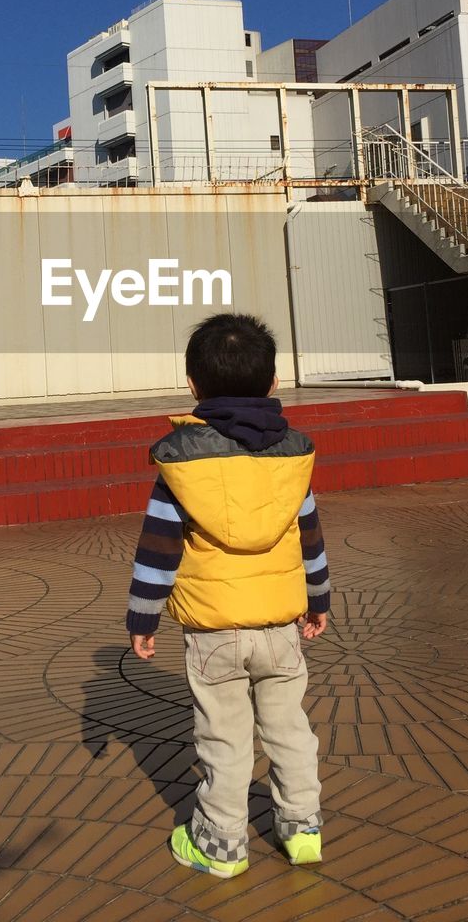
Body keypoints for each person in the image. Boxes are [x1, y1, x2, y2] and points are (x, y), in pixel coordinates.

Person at [125, 312, 329, 878]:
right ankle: (302, 828)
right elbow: (308, 535)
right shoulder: (293, 456)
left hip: (214, 633)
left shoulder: (181, 461)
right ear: (273, 385)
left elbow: (158, 548)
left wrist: (142, 617)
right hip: (282, 628)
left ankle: (220, 843)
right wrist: (319, 600)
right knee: (290, 729)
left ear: (192, 385)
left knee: (224, 738)